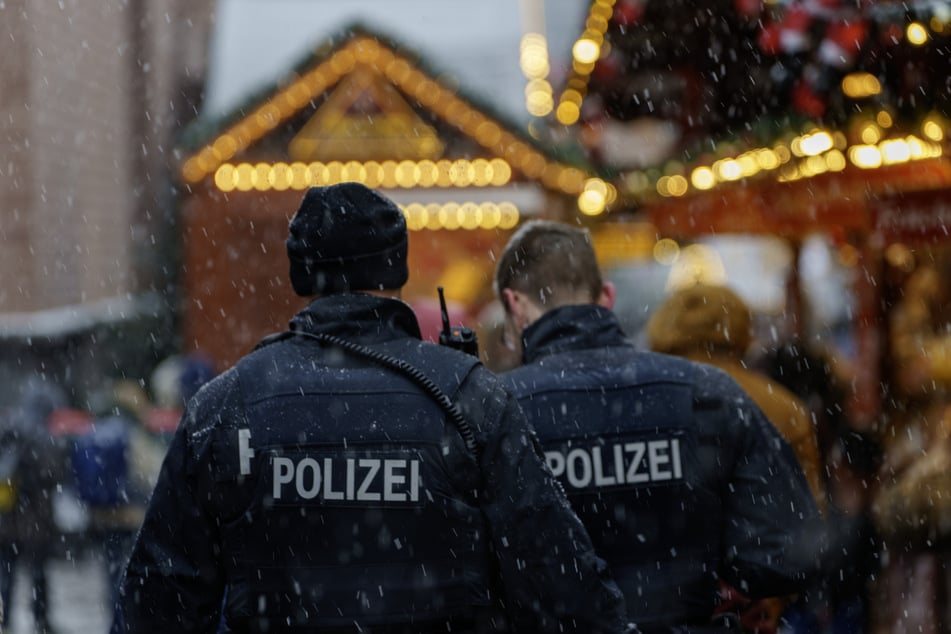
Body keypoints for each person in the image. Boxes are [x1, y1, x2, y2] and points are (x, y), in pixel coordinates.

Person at [112, 183, 630, 633]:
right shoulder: (470, 396)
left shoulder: (225, 406)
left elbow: (160, 601)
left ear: (303, 278)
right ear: (396, 272)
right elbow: (560, 580)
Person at [494, 220, 823, 633]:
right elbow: (789, 553)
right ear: (606, 297)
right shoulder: (708, 392)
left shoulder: (497, 407)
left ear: (516, 305)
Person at [0, 377, 69, 634]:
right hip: (35, 519)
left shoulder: (9, 425)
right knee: (38, 573)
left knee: (7, 572)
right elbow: (54, 472)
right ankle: (40, 620)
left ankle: (5, 620)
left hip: (6, 516)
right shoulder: (42, 435)